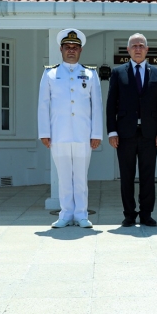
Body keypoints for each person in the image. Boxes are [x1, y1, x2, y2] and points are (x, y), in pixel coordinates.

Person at [38, 29, 103, 228]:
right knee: (64, 177)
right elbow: (43, 104)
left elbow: (97, 106)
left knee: (81, 177)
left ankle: (82, 214)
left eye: (75, 48)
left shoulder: (90, 74)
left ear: (80, 50)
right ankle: (65, 214)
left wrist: (96, 133)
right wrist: (44, 133)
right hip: (59, 133)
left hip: (83, 134)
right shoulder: (50, 73)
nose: (71, 51)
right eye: (67, 47)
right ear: (61, 49)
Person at [106, 33, 157, 227]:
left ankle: (146, 214)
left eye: (141, 45)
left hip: (150, 134)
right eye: (134, 46)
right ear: (128, 50)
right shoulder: (118, 73)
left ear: (147, 49)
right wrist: (112, 131)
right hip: (125, 134)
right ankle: (129, 214)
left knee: (148, 176)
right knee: (126, 175)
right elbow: (111, 105)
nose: (138, 48)